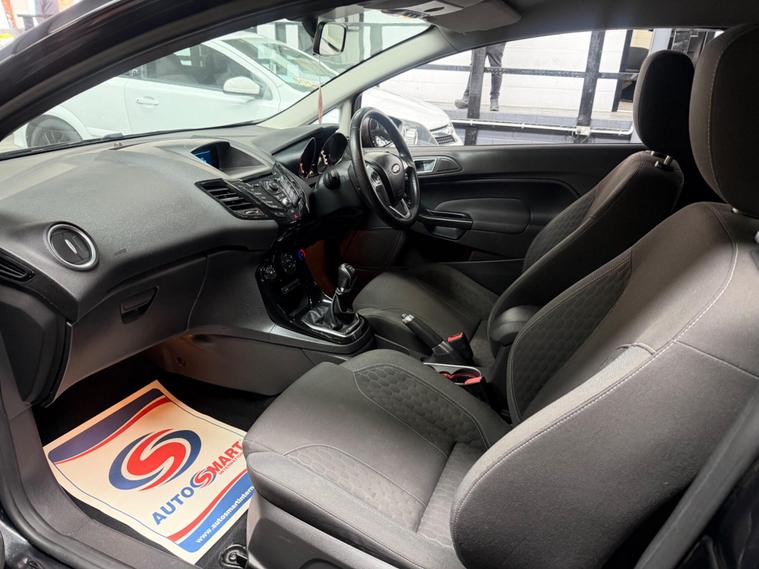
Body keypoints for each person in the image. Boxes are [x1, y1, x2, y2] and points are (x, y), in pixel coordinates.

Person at [455, 42, 506, 112]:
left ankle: (494, 100)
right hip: (480, 38)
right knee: (474, 66)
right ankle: (467, 97)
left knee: (496, 68)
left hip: (496, 39)